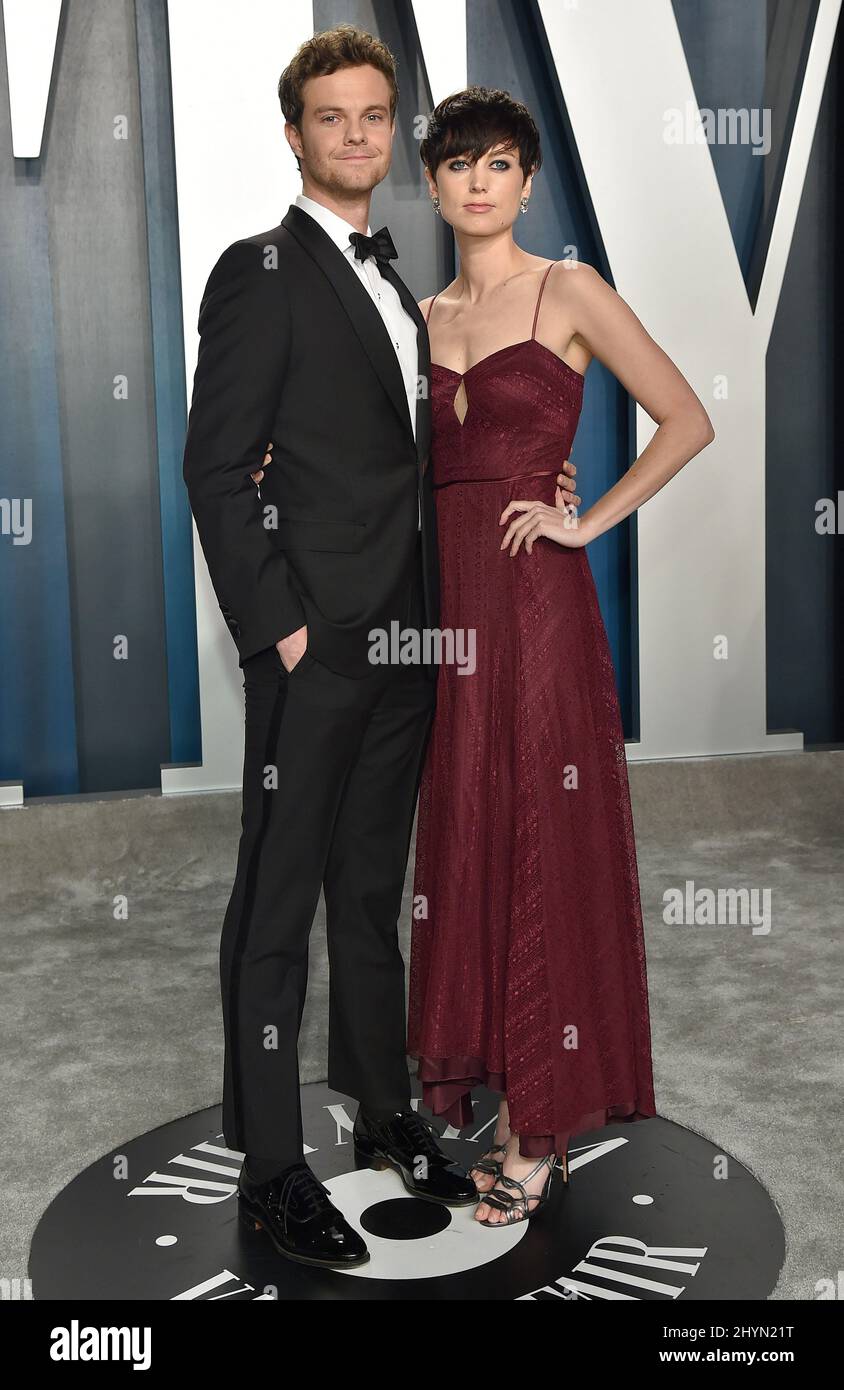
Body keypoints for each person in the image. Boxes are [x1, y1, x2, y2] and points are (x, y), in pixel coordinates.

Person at [182, 25, 478, 1270]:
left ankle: (383, 1108)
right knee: (276, 900)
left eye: (373, 117)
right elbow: (213, 465)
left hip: (406, 633)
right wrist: (285, 631)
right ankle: (269, 1169)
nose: (355, 137)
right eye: (331, 118)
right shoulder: (260, 269)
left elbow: (400, 457)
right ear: (294, 133)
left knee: (369, 890)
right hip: (318, 647)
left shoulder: (395, 272)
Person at [407, 87, 715, 1226]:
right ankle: (493, 1084)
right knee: (467, 834)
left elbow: (685, 415)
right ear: (431, 182)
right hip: (447, 613)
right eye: (457, 163)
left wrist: (584, 518)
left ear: (526, 181)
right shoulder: (421, 315)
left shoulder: (567, 288)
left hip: (536, 606)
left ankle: (543, 1129)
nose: (478, 181)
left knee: (539, 829)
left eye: (499, 163)